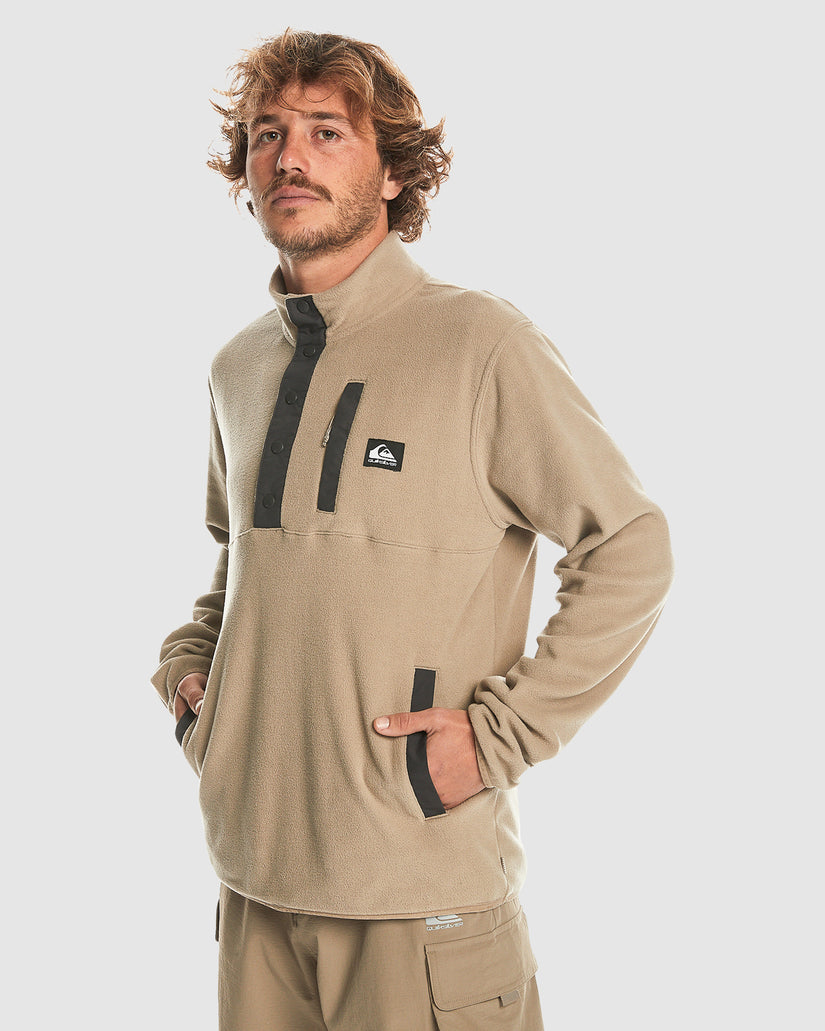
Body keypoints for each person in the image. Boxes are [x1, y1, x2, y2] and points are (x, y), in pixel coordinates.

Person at [151, 29, 674, 1031]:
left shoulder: (483, 344)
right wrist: (188, 677)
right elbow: (243, 562)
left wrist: (500, 735)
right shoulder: (237, 367)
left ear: (392, 172)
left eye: (326, 131)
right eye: (267, 133)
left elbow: (630, 545)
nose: (288, 157)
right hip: (252, 892)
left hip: (419, 900)